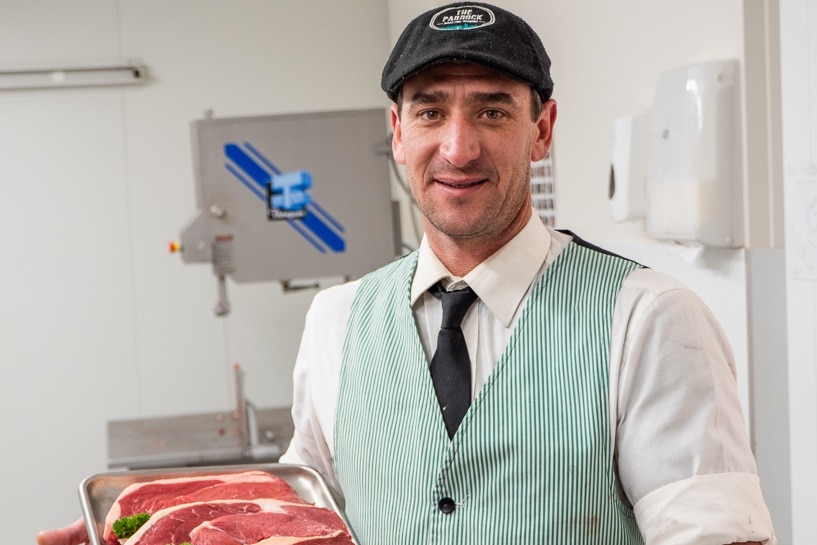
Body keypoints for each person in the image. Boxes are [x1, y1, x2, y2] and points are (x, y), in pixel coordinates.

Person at [37, 3, 776, 545]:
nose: (457, 149)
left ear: (541, 129)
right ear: (396, 133)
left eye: (491, 111)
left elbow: (716, 535)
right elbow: (301, 516)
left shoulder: (647, 318)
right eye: (429, 112)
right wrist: (140, 530)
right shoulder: (335, 319)